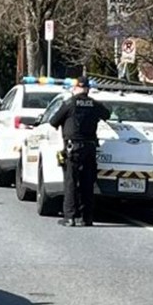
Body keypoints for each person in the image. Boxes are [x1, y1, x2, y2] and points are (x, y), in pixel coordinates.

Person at [49, 77, 110, 227]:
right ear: (88, 89)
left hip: (73, 147)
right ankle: (86, 218)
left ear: (76, 88)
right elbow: (107, 115)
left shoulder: (69, 104)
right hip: (89, 147)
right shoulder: (95, 105)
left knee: (70, 182)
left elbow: (53, 121)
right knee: (87, 183)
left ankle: (69, 217)